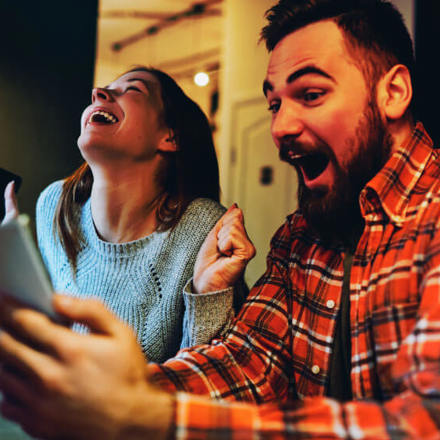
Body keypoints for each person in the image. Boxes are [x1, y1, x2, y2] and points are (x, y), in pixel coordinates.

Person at [0, 0, 438, 438]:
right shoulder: (299, 239)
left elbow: (425, 423)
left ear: (394, 92)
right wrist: (112, 393)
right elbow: (249, 362)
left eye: (310, 95)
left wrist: (145, 414)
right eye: (274, 105)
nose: (281, 127)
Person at [1, 66, 247, 364]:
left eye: (132, 89)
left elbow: (208, 379)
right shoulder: (55, 205)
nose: (98, 93)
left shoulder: (202, 229)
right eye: (104, 89)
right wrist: (11, 264)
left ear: (170, 137)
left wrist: (209, 296)